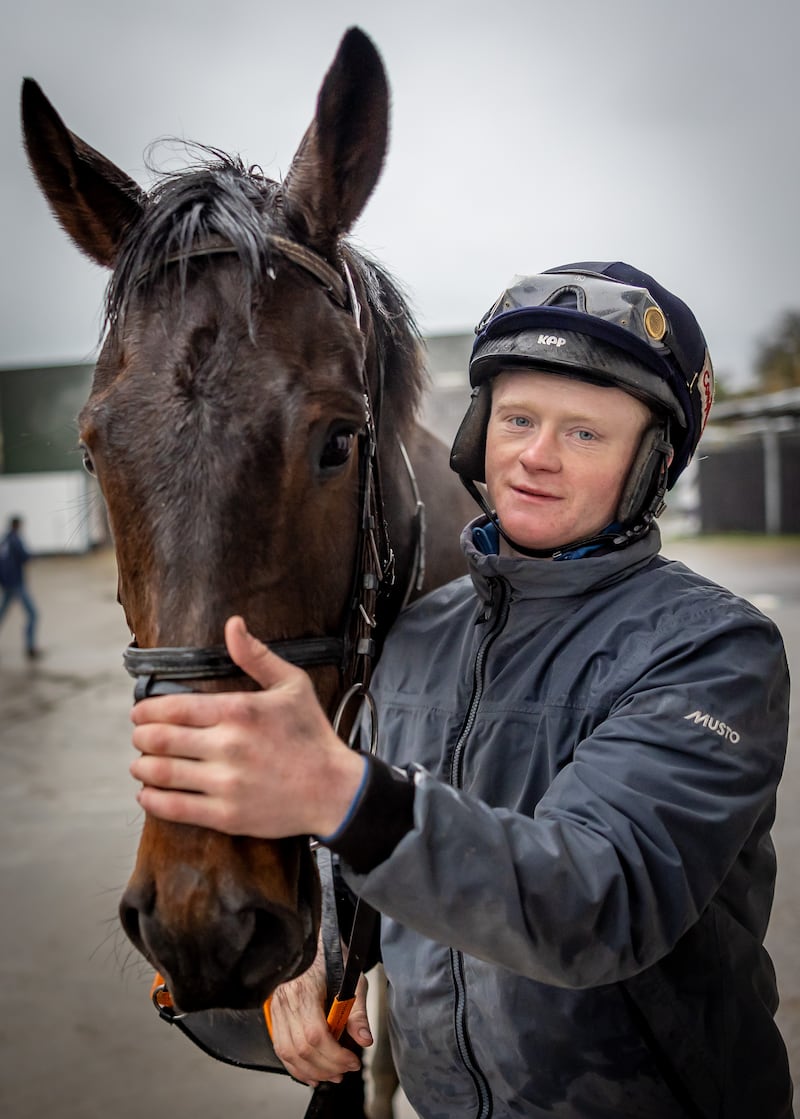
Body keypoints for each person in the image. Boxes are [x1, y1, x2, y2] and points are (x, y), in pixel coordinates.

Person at [129, 262, 794, 1118]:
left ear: (651, 463)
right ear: (479, 428)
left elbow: (600, 898)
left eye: (585, 433)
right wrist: (321, 957)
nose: (536, 457)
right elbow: (369, 856)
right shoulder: (416, 638)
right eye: (517, 418)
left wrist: (340, 789)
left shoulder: (712, 650)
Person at [0, 515, 41, 660]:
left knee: (2, 613)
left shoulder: (4, 540)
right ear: (17, 526)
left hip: (6, 584)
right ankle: (30, 647)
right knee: (33, 614)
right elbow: (25, 556)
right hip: (16, 583)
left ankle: (30, 647)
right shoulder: (16, 540)